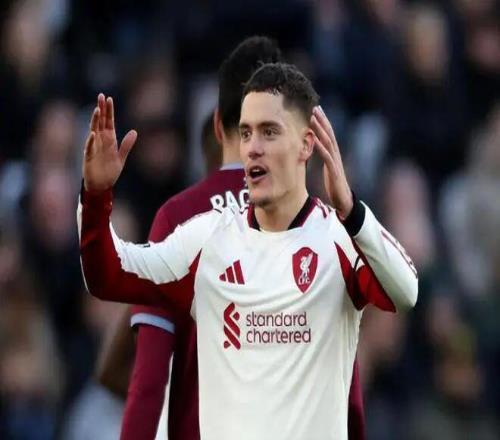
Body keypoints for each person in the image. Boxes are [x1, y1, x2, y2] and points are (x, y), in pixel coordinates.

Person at [78, 62, 417, 439]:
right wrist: (96, 196)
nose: (253, 149)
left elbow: (405, 292)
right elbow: (108, 276)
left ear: (306, 144)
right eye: (246, 133)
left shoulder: (339, 239)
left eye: (269, 132)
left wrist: (351, 210)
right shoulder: (207, 240)